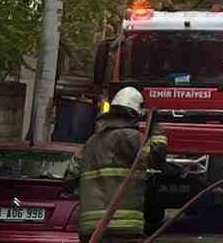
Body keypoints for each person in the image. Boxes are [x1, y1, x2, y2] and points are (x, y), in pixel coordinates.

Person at [62, 87, 167, 242]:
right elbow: (157, 156)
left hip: (91, 229)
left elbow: (69, 180)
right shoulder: (134, 139)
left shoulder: (90, 143)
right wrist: (155, 125)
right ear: (135, 116)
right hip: (125, 228)